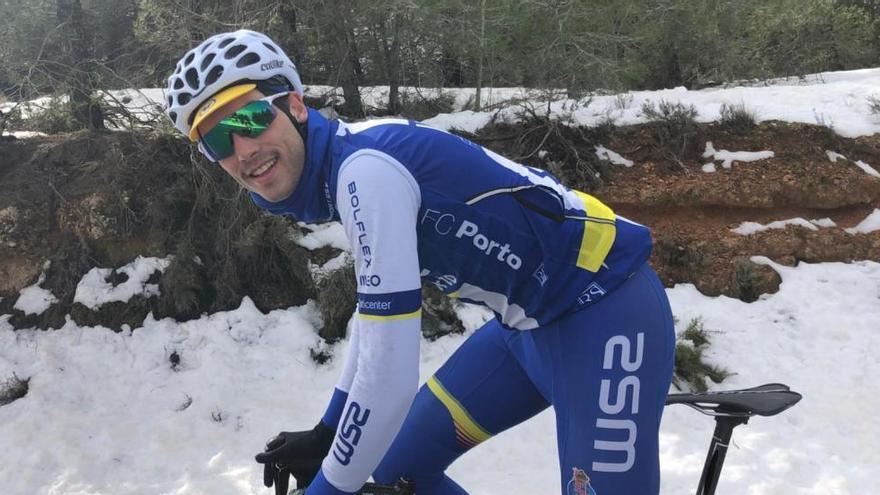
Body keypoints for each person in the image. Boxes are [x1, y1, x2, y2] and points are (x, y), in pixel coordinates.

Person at [165, 29, 675, 495]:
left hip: (606, 315)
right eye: (215, 140)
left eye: (250, 118)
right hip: (524, 331)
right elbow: (375, 315)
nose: (242, 148)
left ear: (295, 105)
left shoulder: (364, 172)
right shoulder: (342, 168)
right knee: (398, 471)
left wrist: (328, 490)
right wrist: (329, 430)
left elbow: (389, 375)